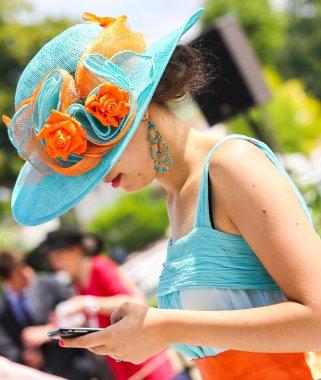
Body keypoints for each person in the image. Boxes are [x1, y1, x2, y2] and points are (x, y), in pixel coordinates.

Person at [3, 7, 321, 380]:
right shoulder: (177, 199)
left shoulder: (231, 164)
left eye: (99, 159)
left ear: (135, 112)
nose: (97, 180)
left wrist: (168, 327)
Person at [40, 227, 177, 380]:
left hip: (145, 361)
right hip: (122, 364)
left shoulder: (100, 267)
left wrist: (87, 303)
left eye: (59, 257)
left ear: (76, 250)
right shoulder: (78, 286)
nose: (57, 265)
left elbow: (134, 301)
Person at [0, 249, 109, 380]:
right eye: (17, 272)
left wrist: (49, 331)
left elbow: (81, 315)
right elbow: (6, 346)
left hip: (78, 367)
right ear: (7, 279)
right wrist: (27, 357)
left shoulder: (49, 284)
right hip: (43, 374)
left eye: (23, 266)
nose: (25, 272)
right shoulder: (3, 310)